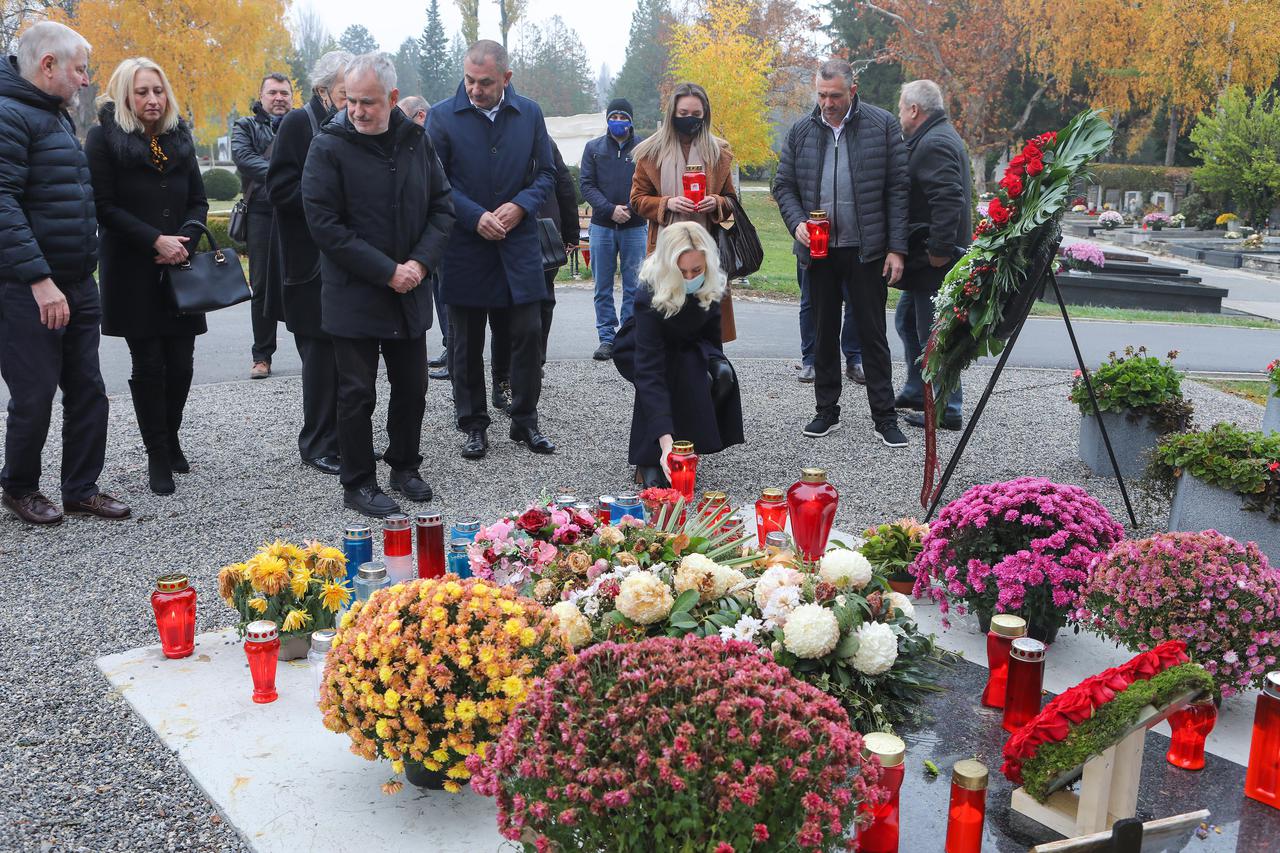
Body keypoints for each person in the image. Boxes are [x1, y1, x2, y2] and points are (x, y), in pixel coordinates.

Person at [302, 52, 455, 517]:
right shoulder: (328, 146)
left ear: (392, 98)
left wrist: (420, 263)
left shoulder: (415, 141)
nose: (357, 111)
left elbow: (442, 206)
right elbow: (324, 225)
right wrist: (387, 270)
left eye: (368, 101)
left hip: (410, 290)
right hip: (355, 294)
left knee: (412, 387)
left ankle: (404, 465)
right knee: (356, 394)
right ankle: (358, 483)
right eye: (350, 100)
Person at [0, 22, 129, 525]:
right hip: (29, 288)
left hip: (75, 281)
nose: (84, 79)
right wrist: (39, 279)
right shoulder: (11, 115)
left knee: (88, 390)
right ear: (47, 64)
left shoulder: (50, 114)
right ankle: (20, 487)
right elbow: (4, 204)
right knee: (33, 394)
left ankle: (80, 487)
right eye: (79, 69)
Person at [426, 40, 556, 460]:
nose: (476, 90)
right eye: (469, 80)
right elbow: (436, 182)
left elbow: (547, 173)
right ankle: (473, 425)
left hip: (517, 243)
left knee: (527, 334)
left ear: (506, 78)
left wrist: (521, 206)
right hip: (465, 246)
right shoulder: (443, 117)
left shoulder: (530, 113)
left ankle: (525, 421)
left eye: (485, 82)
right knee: (465, 342)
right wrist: (472, 215)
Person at [85, 57, 208, 496]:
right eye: (142, 92)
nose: (152, 99)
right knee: (150, 364)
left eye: (158, 90)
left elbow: (197, 200)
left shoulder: (179, 136)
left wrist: (186, 240)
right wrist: (156, 239)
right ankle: (157, 451)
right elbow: (104, 206)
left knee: (182, 364)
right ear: (125, 95)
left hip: (180, 270)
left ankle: (170, 435)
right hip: (133, 270)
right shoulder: (103, 139)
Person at [773, 59, 909, 448]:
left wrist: (897, 248)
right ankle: (826, 411)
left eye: (834, 95)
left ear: (853, 89)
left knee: (873, 335)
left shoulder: (882, 126)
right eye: (821, 95)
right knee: (822, 332)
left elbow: (899, 190)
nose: (827, 103)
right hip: (818, 252)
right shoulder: (801, 131)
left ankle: (884, 417)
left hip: (867, 250)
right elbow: (783, 186)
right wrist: (796, 221)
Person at [265, 49, 352, 477]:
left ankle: (345, 440)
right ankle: (318, 443)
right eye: (343, 91)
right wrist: (328, 202)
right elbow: (279, 188)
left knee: (345, 358)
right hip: (309, 264)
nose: (350, 99)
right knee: (319, 359)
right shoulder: (300, 122)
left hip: (343, 263)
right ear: (322, 90)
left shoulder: (351, 122)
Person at [612, 222, 742, 488]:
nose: (691, 276)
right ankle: (652, 454)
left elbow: (712, 342)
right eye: (682, 271)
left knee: (717, 375)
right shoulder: (649, 291)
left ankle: (689, 443)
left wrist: (712, 370)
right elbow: (649, 372)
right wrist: (664, 440)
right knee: (669, 373)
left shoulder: (711, 282)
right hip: (642, 347)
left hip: (689, 341)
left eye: (697, 269)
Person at [630, 82, 738, 344]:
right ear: (672, 114)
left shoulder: (718, 153)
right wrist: (666, 204)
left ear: (705, 115)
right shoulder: (651, 152)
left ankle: (710, 377)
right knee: (664, 323)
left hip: (706, 250)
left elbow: (732, 201)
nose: (690, 120)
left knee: (707, 327)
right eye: (683, 114)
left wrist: (716, 203)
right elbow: (636, 200)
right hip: (665, 250)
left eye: (696, 115)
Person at [895, 79, 970, 430]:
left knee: (933, 334)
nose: (899, 114)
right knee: (907, 322)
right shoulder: (937, 136)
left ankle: (946, 407)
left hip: (935, 260)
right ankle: (915, 388)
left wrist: (939, 250)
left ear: (914, 109)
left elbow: (948, 198)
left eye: (900, 107)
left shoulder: (935, 142)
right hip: (927, 259)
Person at [490, 138, 578, 406]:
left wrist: (571, 232)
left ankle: (524, 369)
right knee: (524, 307)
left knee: (538, 305)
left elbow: (563, 183)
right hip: (509, 230)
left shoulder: (541, 139)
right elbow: (564, 184)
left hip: (539, 233)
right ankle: (513, 374)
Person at [232, 72, 292, 380]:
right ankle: (262, 355)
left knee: (306, 281)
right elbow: (243, 158)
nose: (279, 97)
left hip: (297, 212)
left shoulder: (301, 124)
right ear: (261, 96)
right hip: (261, 213)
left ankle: (317, 349)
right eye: (273, 93)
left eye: (284, 92)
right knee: (262, 286)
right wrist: (285, 173)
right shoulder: (246, 126)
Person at [580, 97, 645, 361]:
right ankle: (607, 337)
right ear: (607, 119)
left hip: (636, 226)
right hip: (602, 227)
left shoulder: (645, 148)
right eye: (614, 117)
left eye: (623, 117)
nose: (618, 122)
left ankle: (627, 338)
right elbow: (586, 185)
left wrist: (630, 207)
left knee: (634, 286)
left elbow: (650, 183)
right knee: (602, 286)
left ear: (631, 120)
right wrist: (609, 209)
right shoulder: (593, 148)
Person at [796, 263, 862, 383]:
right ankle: (810, 361)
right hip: (813, 248)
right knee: (810, 300)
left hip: (852, 248)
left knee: (856, 300)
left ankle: (854, 360)